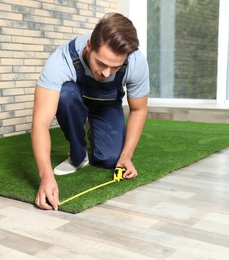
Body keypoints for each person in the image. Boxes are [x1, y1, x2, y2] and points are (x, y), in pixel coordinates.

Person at [31, 12, 150, 210]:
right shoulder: (61, 61)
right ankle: (78, 154)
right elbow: (40, 122)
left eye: (114, 67)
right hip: (73, 100)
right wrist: (46, 177)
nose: (106, 73)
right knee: (65, 95)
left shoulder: (136, 62)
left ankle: (93, 127)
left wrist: (126, 156)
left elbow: (138, 110)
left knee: (110, 160)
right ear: (89, 46)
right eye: (101, 63)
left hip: (107, 105)